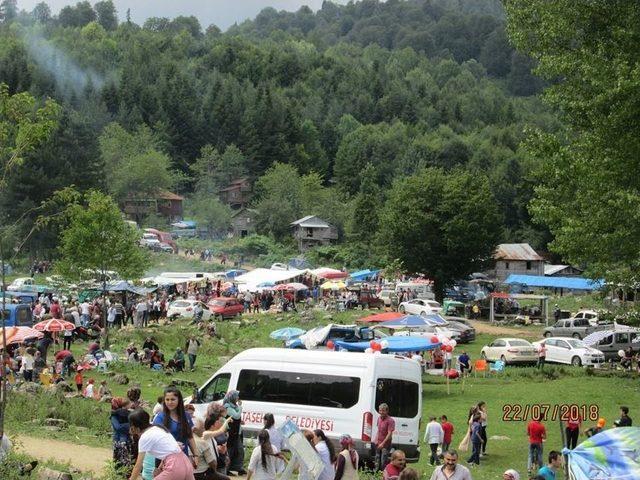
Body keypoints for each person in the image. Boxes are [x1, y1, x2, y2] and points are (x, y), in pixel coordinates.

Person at [128, 409, 196, 480]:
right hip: (185, 462)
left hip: (174, 466)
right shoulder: (158, 428)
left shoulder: (145, 437)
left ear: (133, 427)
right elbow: (168, 451)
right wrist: (160, 468)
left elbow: (138, 466)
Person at [153, 386, 198, 458]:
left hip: (183, 457)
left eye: (173, 399)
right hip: (166, 460)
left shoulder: (186, 416)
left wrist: (196, 455)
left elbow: (190, 436)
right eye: (167, 400)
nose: (170, 402)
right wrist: (173, 445)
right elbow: (156, 440)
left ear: (179, 400)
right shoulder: (160, 418)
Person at [223, 390, 245, 475]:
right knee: (230, 450)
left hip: (237, 432)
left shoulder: (234, 406)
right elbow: (236, 416)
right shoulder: (227, 407)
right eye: (236, 396)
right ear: (232, 397)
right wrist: (240, 407)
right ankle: (226, 469)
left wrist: (240, 421)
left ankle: (238, 467)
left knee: (239, 450)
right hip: (231, 433)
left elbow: (236, 417)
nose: (238, 398)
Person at [111, 397, 132, 471]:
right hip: (123, 438)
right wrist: (129, 426)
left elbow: (118, 427)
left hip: (119, 439)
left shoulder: (114, 415)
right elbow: (118, 427)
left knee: (122, 457)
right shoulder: (115, 415)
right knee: (122, 457)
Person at [374, 403, 395, 471]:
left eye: (383, 410)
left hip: (386, 444)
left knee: (383, 461)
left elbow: (389, 434)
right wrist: (376, 439)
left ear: (387, 411)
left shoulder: (390, 420)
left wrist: (382, 444)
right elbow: (378, 430)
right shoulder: (379, 418)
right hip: (378, 442)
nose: (381, 412)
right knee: (377, 458)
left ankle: (383, 474)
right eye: (380, 410)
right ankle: (376, 474)